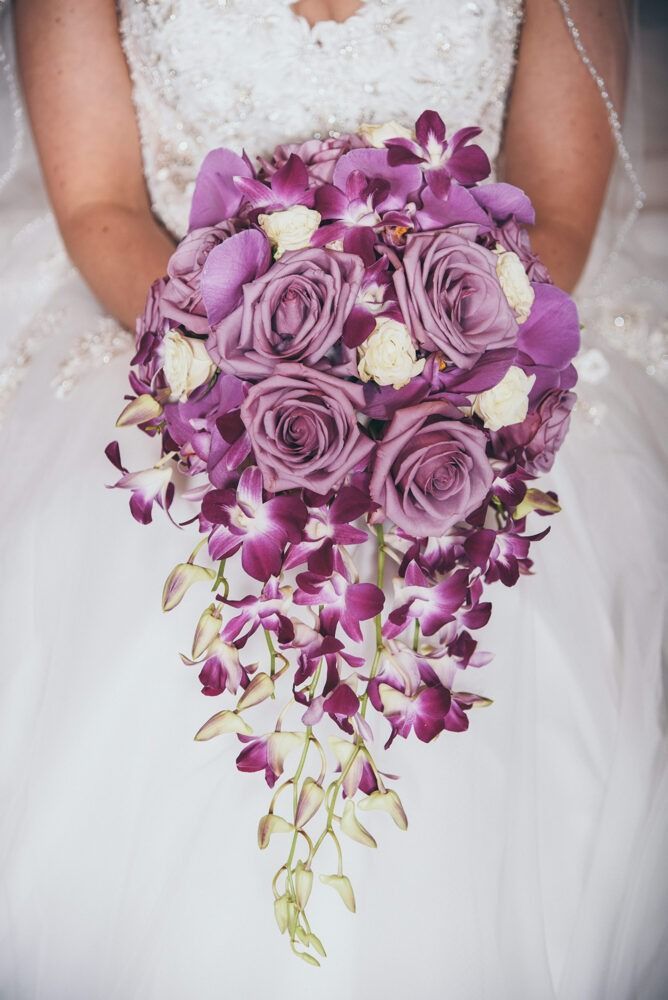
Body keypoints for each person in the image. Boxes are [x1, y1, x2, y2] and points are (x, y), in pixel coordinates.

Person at [0, 1, 666, 997]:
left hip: (468, 356)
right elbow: (100, 203)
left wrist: (422, 388)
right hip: (176, 321)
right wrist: (262, 386)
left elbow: (556, 216)